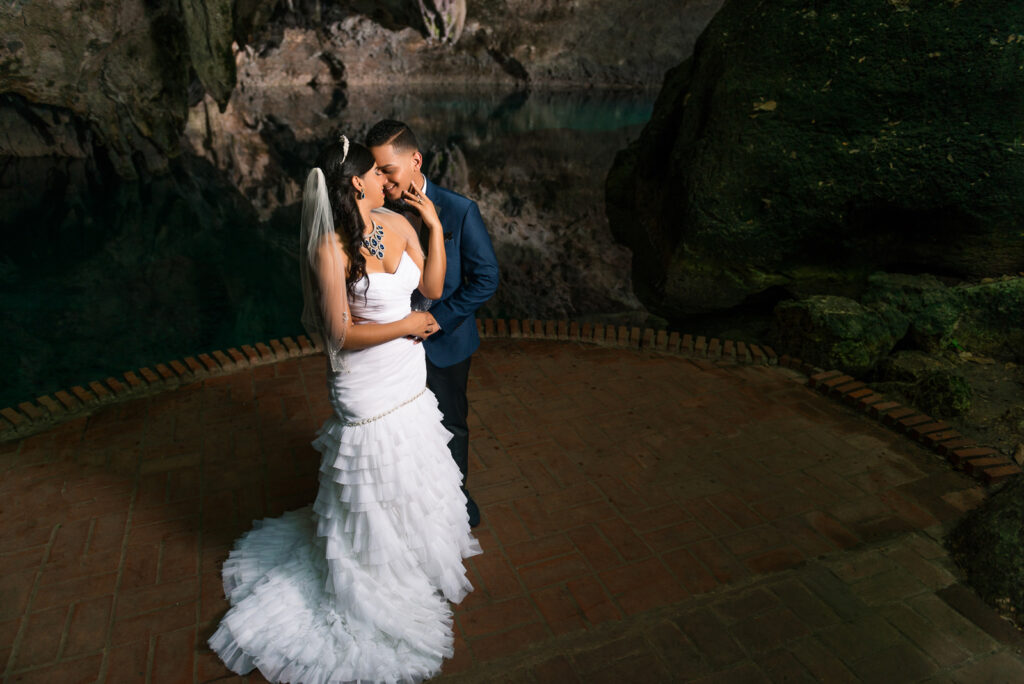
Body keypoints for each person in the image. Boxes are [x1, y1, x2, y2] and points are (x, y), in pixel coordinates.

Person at [208, 135, 481, 683]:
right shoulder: (330, 247)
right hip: (365, 381)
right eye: (379, 174)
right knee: (373, 465)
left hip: (405, 373)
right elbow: (338, 333)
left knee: (412, 457)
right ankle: (373, 569)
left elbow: (429, 286)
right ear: (358, 182)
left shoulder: (400, 222)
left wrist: (430, 227)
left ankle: (411, 556)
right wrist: (406, 326)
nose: (388, 179)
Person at [367, 120, 500, 528]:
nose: (380, 179)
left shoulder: (460, 210)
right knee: (401, 429)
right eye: (373, 171)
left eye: (386, 169)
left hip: (446, 342)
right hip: (392, 345)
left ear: (415, 161)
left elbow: (486, 278)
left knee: (451, 423)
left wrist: (435, 320)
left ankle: (456, 498)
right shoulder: (374, 213)